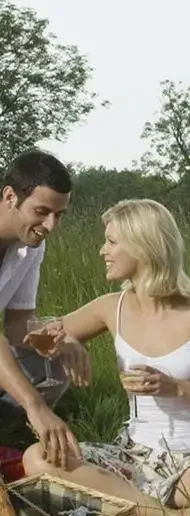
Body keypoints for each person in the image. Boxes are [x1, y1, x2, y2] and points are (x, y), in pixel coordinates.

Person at [22, 198, 190, 516]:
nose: (102, 250)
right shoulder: (111, 307)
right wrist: (66, 340)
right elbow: (35, 337)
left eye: (111, 242)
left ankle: (129, 503)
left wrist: (176, 388)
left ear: (144, 247)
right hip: (134, 456)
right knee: (37, 457)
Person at [0, 150, 91, 467]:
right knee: (31, 396)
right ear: (10, 196)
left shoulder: (31, 245)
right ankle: (31, 420)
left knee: (53, 365)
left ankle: (10, 433)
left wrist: (58, 339)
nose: (50, 225)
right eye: (41, 211)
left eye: (59, 214)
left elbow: (16, 324)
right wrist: (34, 404)